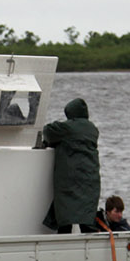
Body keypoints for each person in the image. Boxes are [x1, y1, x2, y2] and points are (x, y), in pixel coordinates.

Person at [39, 98, 100, 233]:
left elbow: (48, 131)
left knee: (65, 213)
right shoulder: (93, 129)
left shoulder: (68, 128)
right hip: (90, 179)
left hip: (70, 179)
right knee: (86, 215)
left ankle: (63, 239)